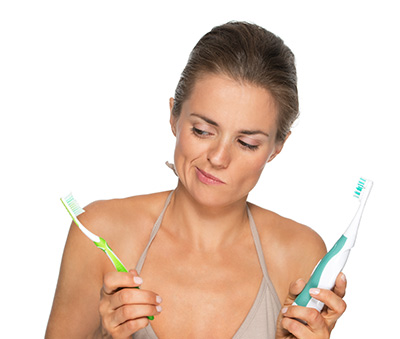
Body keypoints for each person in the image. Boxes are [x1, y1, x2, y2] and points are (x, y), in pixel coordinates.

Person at [46, 21, 347, 338]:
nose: (218, 158)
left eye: (247, 143)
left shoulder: (298, 253)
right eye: (202, 131)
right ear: (174, 116)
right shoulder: (100, 233)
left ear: (276, 147)